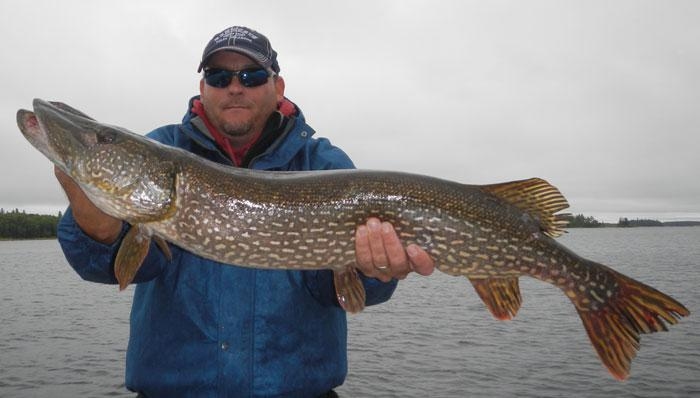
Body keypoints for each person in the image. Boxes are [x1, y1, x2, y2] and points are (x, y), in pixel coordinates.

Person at [55, 26, 435, 397]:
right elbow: (122, 267)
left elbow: (338, 290)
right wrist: (101, 232)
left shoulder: (323, 163)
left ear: (278, 88)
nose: (234, 87)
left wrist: (375, 273)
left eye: (251, 76)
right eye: (219, 76)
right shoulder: (163, 148)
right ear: (202, 89)